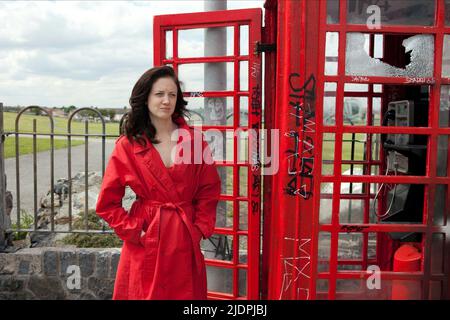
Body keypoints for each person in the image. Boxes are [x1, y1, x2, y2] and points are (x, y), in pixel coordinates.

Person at [95, 65, 221, 300]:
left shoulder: (194, 141)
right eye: (159, 94)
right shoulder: (127, 145)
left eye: (172, 95)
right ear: (145, 98)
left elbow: (209, 189)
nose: (166, 101)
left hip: (183, 238)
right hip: (146, 238)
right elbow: (107, 204)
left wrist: (198, 229)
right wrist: (136, 232)